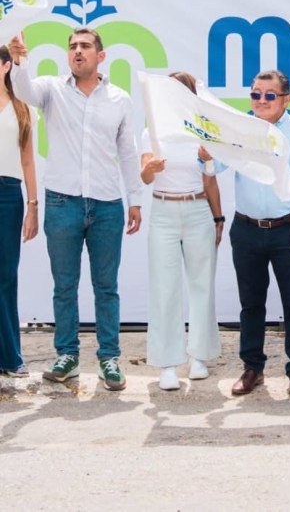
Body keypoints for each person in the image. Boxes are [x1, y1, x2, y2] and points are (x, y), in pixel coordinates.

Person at [8, 29, 143, 391]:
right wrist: (20, 61)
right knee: (64, 286)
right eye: (72, 47)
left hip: (107, 204)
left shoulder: (119, 99)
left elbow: (128, 152)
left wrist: (135, 199)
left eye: (84, 46)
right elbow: (22, 90)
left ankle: (109, 358)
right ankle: (67, 355)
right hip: (61, 202)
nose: (77, 51)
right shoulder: (51, 89)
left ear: (101, 56)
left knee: (106, 286)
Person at [211, 70, 290, 399]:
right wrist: (206, 154)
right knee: (251, 303)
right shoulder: (240, 129)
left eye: (269, 95)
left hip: (289, 230)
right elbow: (215, 167)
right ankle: (252, 368)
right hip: (246, 229)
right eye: (255, 94)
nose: (261, 101)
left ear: (286, 99)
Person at [140, 72, 224, 391]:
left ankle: (199, 356)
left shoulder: (202, 130)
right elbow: (145, 176)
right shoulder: (152, 131)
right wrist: (150, 169)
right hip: (163, 211)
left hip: (198, 209)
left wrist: (218, 217)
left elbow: (210, 178)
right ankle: (167, 364)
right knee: (165, 288)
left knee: (202, 285)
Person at [0, 45, 38, 377]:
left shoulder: (22, 109)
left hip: (9, 195)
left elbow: (28, 161)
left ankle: (10, 356)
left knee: (6, 276)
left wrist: (33, 205)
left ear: (5, 67)